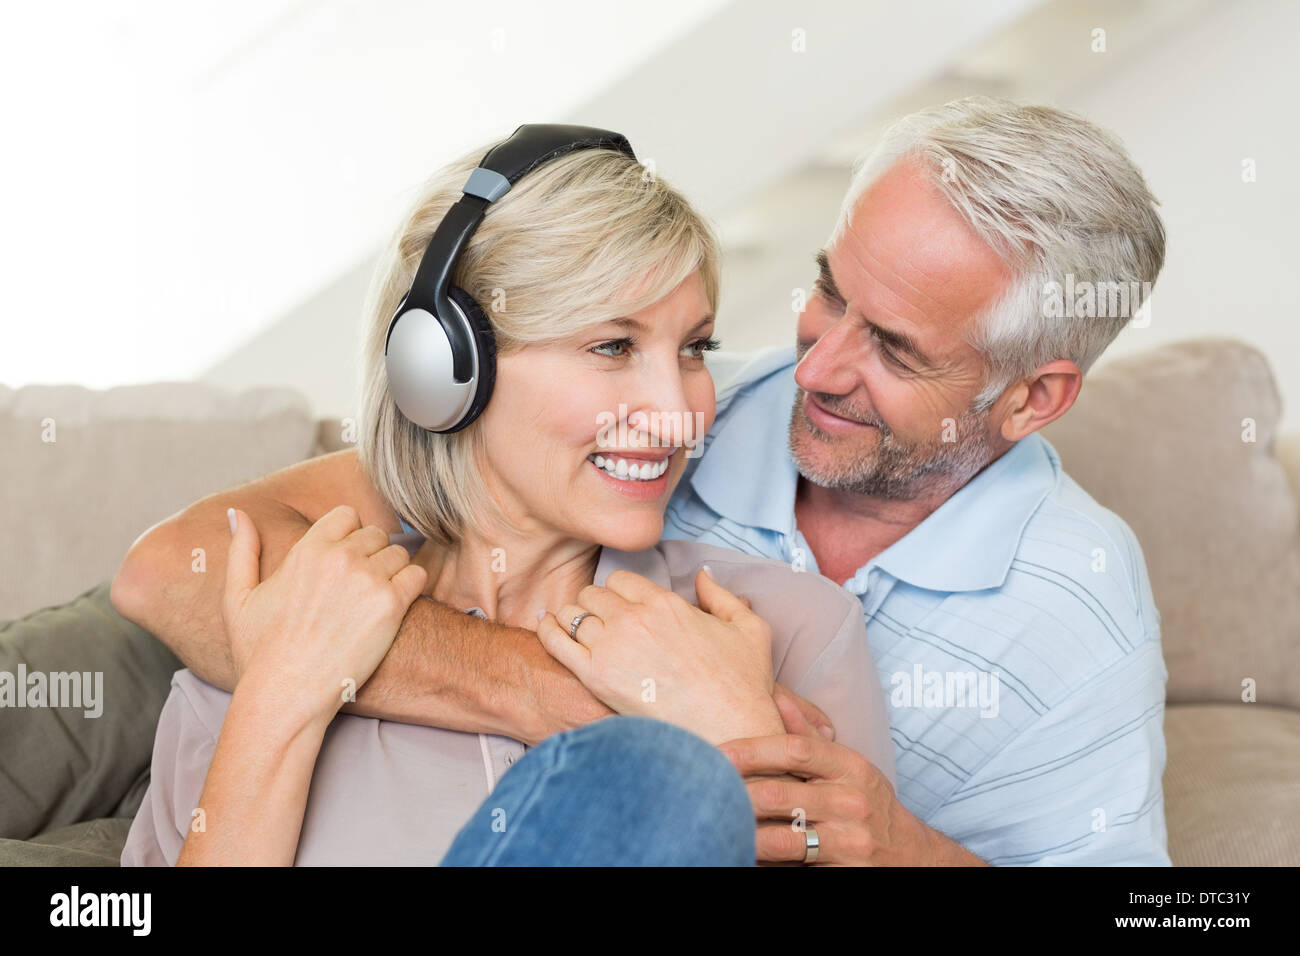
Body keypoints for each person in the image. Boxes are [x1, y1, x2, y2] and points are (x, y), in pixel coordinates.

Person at [115, 96, 1171, 866]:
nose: (808, 368)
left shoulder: (832, 628)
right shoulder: (303, 596)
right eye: (823, 293)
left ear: (1031, 398)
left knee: (657, 784)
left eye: (893, 348)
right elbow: (168, 571)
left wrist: (869, 828)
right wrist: (303, 684)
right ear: (446, 371)